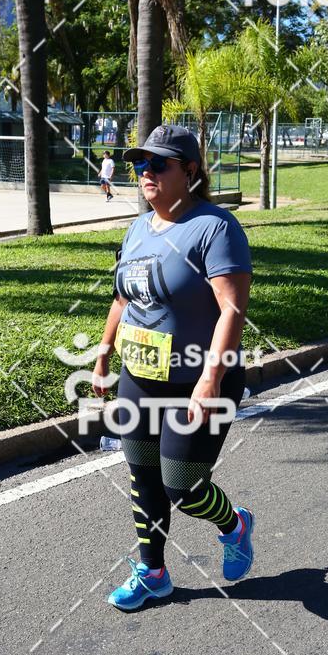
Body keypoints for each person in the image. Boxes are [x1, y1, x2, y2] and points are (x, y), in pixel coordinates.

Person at [92, 124, 254, 612]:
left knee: (181, 485)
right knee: (142, 477)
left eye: (158, 164)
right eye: (139, 164)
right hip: (139, 377)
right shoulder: (139, 227)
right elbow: (124, 297)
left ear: (189, 171)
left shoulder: (215, 227)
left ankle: (235, 525)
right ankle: (154, 573)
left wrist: (211, 378)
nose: (145, 172)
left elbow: (232, 309)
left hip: (198, 380)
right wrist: (102, 354)